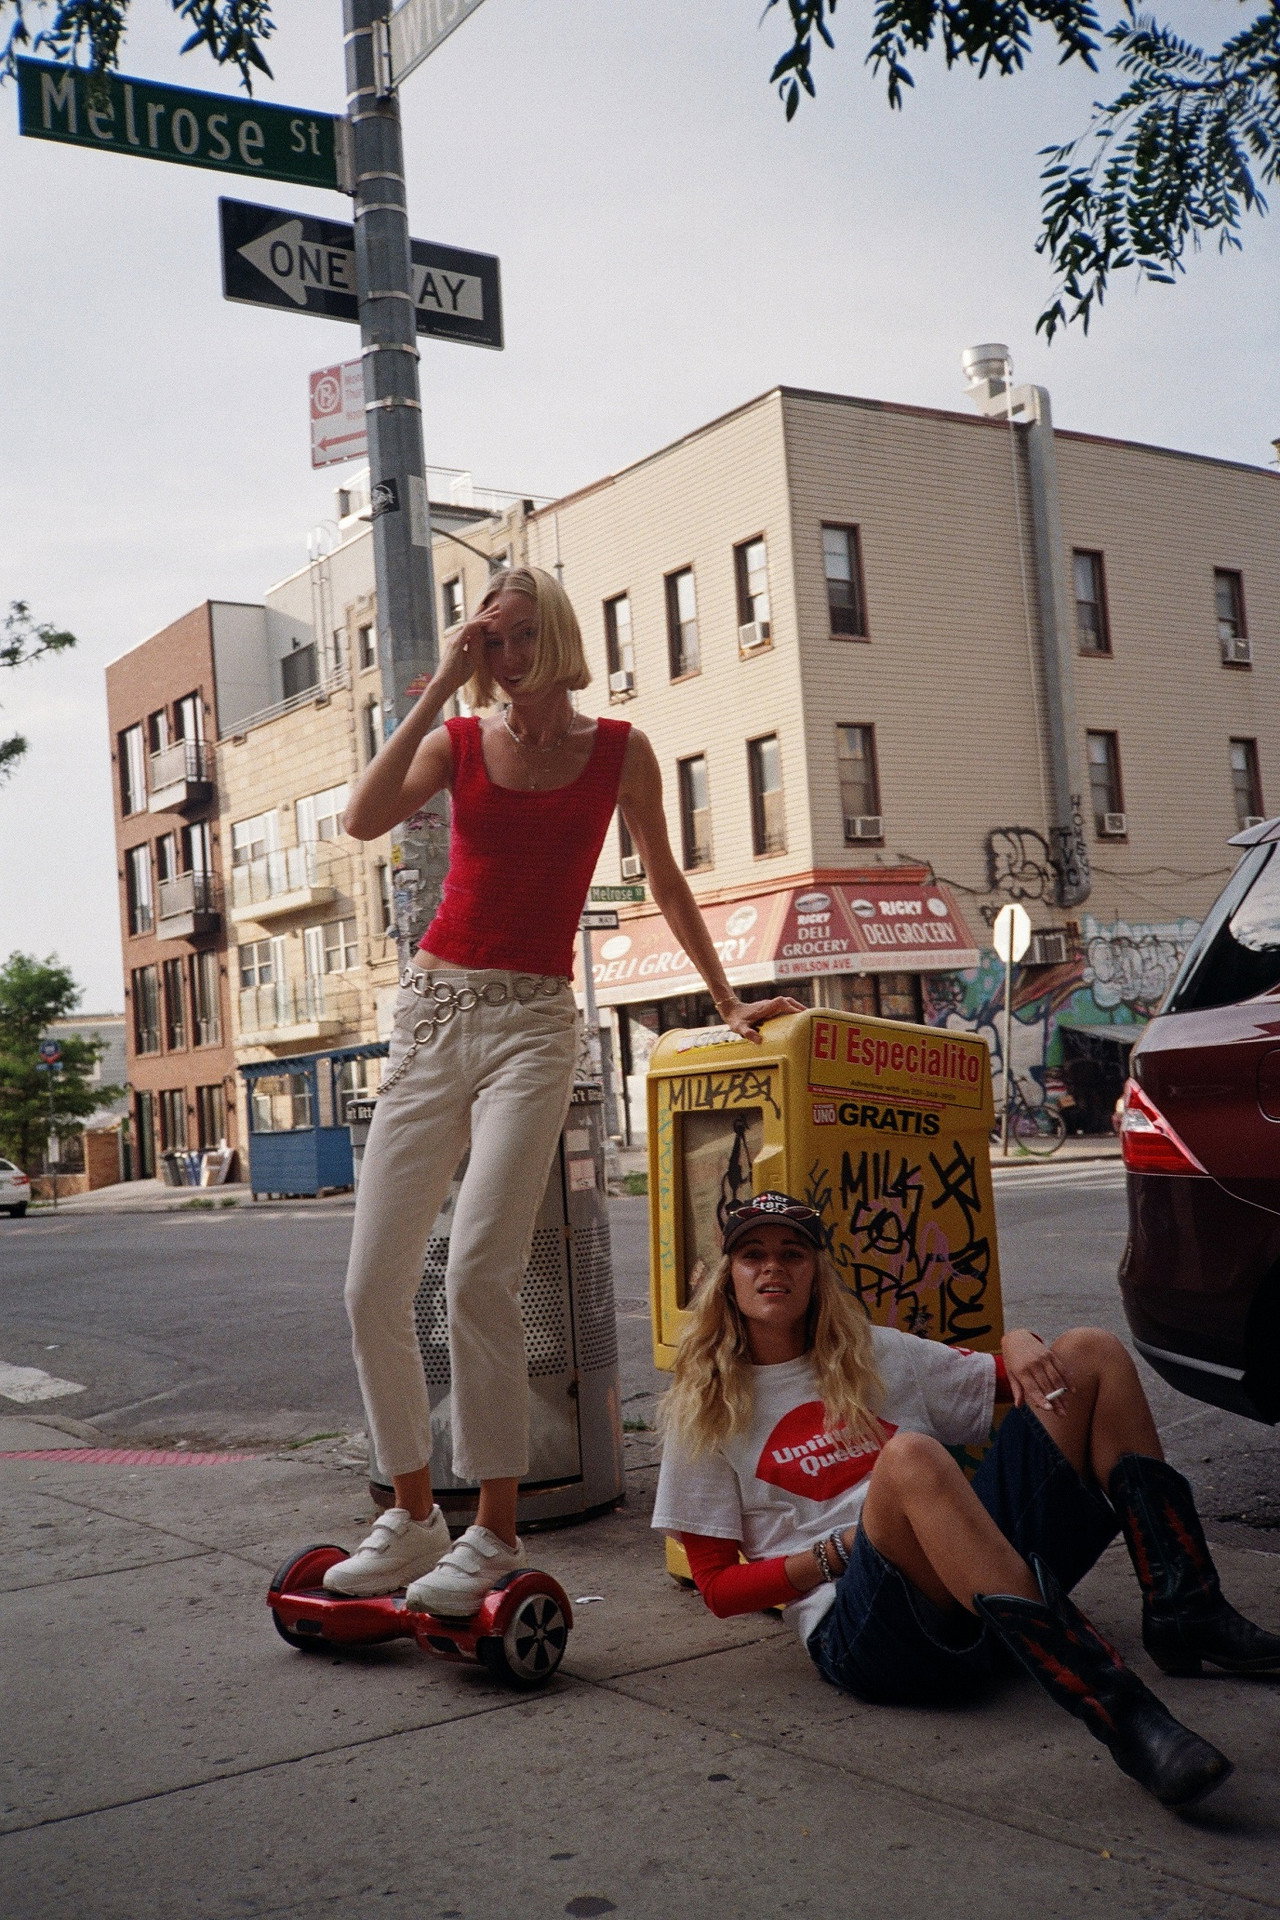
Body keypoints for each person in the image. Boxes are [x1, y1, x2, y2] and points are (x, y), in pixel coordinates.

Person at [323, 566, 803, 1613]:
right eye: (487, 641)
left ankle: (490, 1529)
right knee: (372, 1287)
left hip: (535, 1027)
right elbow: (362, 820)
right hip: (433, 1011)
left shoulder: (620, 753)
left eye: (517, 637)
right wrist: (439, 678)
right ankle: (413, 1516)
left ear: (558, 639)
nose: (503, 658)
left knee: (479, 1273)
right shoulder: (456, 744)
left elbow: (666, 879)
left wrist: (725, 1001)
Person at [653, 1189, 1280, 1809]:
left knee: (1092, 1352)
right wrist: (837, 1553)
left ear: (817, 1272)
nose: (772, 1268)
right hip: (869, 1631)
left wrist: (1019, 1340)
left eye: (793, 1252)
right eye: (752, 1255)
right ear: (727, 1277)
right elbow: (716, 1589)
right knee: (911, 1459)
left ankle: (1186, 1607)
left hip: (978, 1588)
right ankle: (1124, 1715)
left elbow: (1029, 1379)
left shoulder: (877, 1352)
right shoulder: (705, 1408)